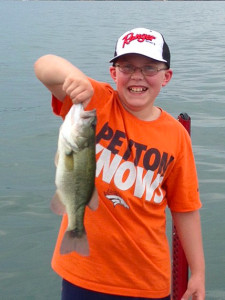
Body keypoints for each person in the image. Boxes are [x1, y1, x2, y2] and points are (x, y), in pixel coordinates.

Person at [34, 28, 205, 300]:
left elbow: (185, 209)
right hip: (84, 275)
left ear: (166, 76)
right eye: (127, 67)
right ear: (114, 73)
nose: (137, 76)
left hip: (148, 281)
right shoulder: (95, 102)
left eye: (149, 68)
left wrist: (198, 273)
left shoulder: (176, 137)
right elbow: (43, 66)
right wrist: (76, 79)